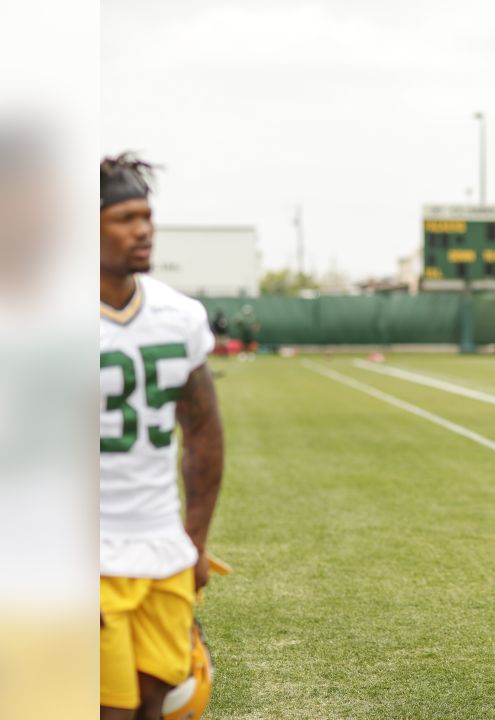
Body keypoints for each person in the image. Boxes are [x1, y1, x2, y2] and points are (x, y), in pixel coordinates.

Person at [99, 154, 224, 719]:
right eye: (124, 217)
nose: (142, 229)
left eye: (146, 215)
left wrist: (194, 538)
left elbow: (202, 431)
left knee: (162, 704)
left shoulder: (179, 315)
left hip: (160, 546)